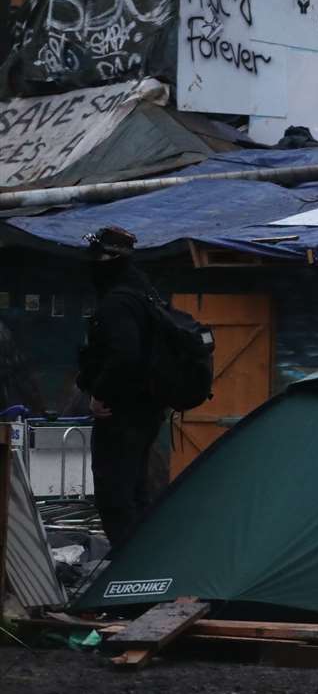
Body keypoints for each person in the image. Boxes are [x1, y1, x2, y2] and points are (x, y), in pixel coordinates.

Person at [77, 226, 166, 550]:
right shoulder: (144, 292)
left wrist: (99, 394)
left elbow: (124, 355)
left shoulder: (118, 302)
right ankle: (143, 571)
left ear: (110, 259)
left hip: (121, 412)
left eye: (97, 255)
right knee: (135, 492)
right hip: (147, 409)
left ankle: (128, 582)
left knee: (116, 496)